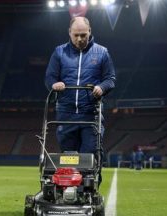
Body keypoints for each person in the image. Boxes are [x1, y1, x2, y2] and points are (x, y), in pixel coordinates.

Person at [45, 16, 116, 179]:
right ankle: (67, 192)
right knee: (67, 158)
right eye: (76, 35)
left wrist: (101, 87)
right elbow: (49, 78)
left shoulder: (102, 52)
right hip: (65, 114)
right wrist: (54, 85)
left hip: (90, 114)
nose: (79, 39)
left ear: (90, 32)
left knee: (90, 155)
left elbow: (110, 79)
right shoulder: (59, 52)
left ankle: (90, 190)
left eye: (83, 35)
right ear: (69, 33)